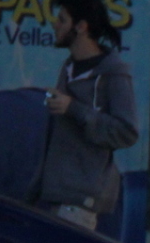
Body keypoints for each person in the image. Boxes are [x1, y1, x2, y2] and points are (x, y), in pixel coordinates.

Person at [36, 0, 137, 230]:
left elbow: (127, 132)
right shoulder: (69, 67)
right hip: (54, 195)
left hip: (80, 202)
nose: (54, 25)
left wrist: (74, 108)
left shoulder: (114, 75)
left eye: (62, 20)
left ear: (81, 27)